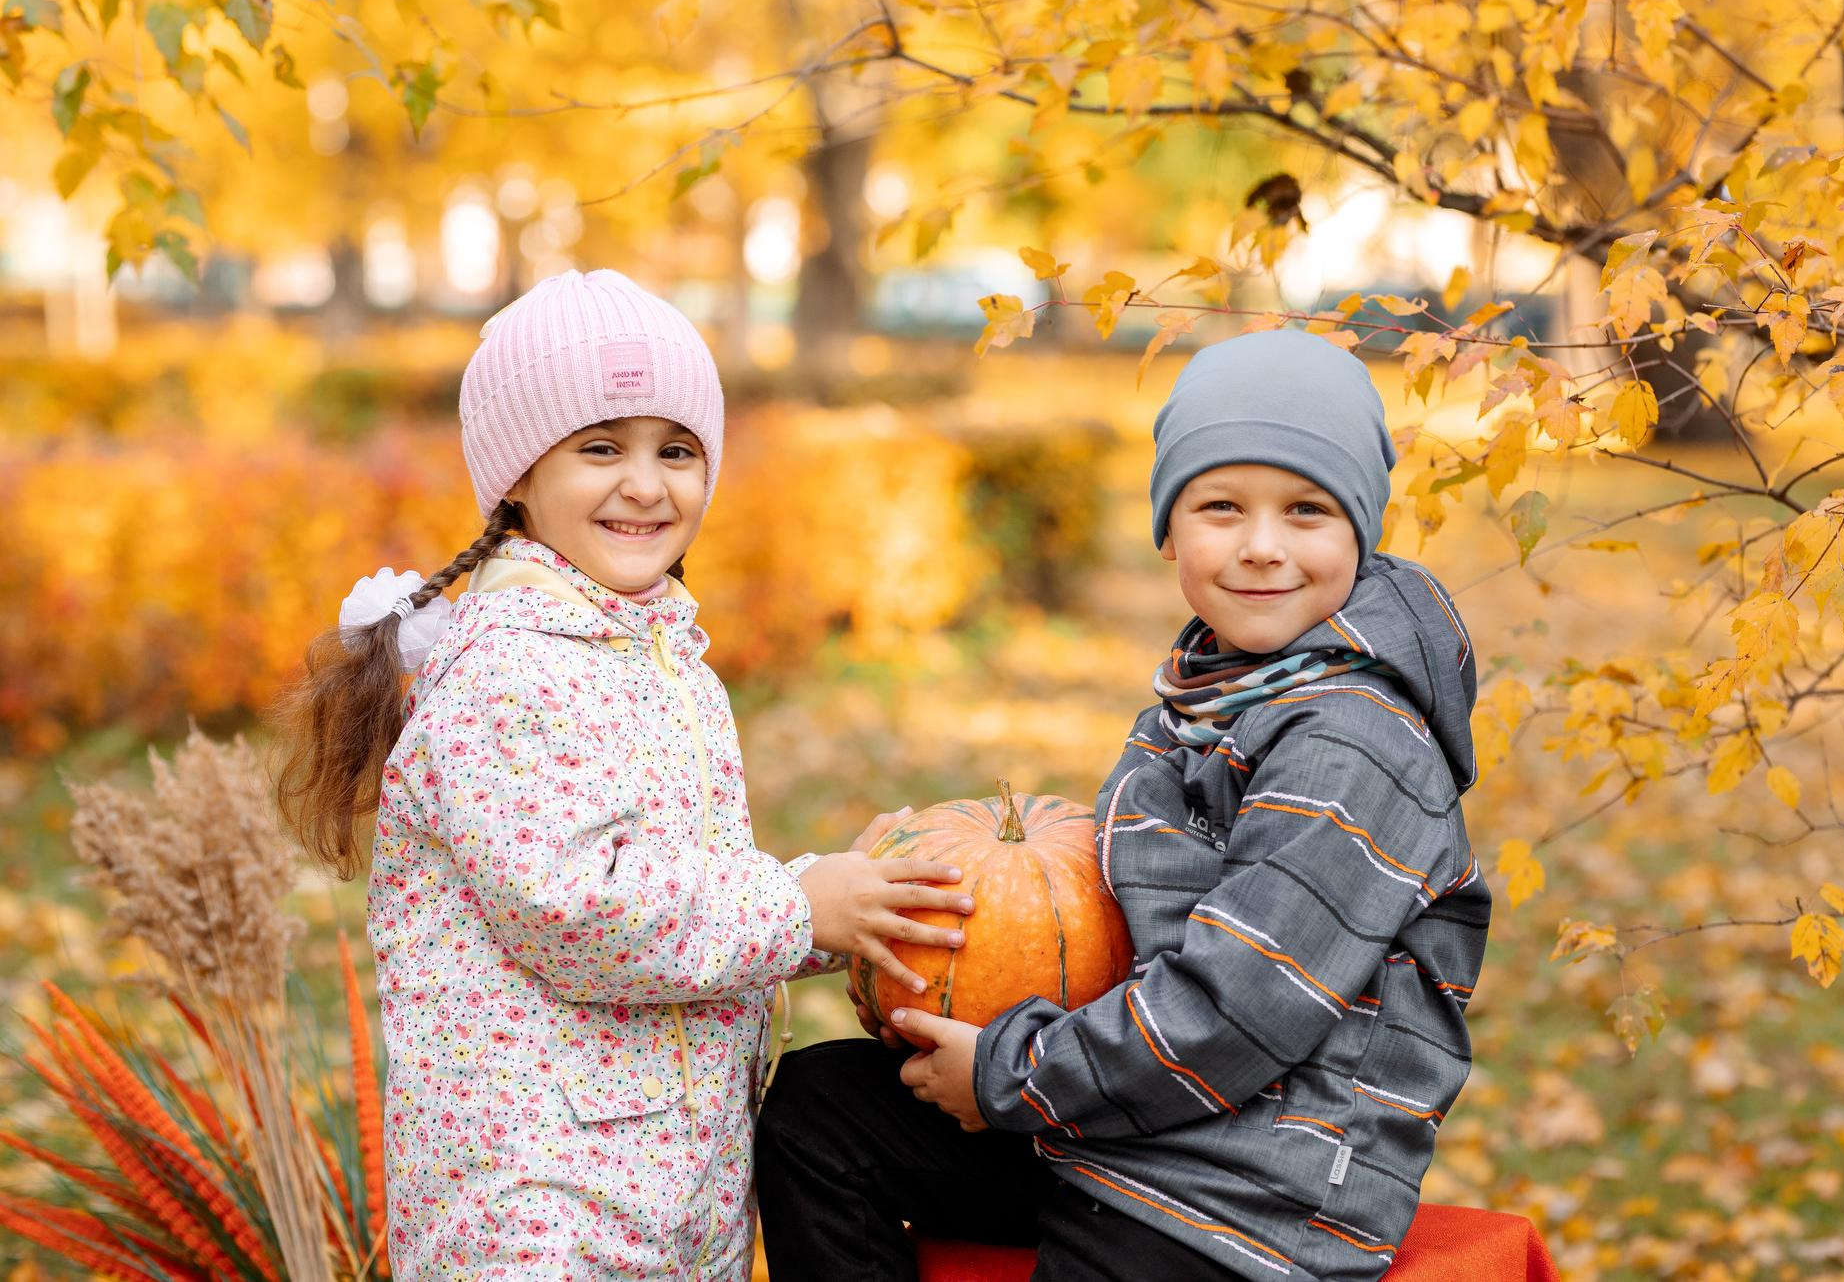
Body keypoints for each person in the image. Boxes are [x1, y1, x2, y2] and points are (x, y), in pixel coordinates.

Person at [276, 269, 971, 1280]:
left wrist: (841, 901)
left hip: (667, 1176)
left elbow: (668, 881)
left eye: (676, 450)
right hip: (537, 1197)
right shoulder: (509, 667)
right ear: (517, 474)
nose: (645, 483)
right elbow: (574, 907)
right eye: (600, 446)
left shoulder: (648, 648)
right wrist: (793, 906)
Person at [756, 328, 1487, 1281]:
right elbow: (1093, 917)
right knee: (824, 1111)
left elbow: (1237, 1010)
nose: (1263, 546)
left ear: (1360, 529)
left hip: (1254, 1189)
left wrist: (1008, 1073)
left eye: (1307, 510)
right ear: (1170, 529)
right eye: (1221, 506)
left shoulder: (1351, 741)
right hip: (1127, 1124)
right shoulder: (1207, 692)